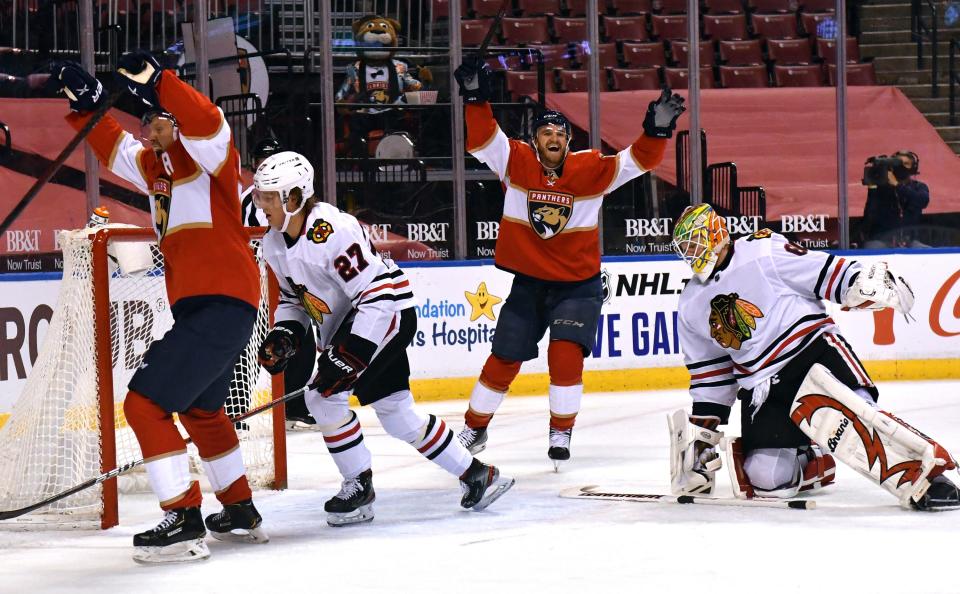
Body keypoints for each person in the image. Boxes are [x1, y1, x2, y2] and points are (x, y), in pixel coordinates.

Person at [55, 53, 268, 563]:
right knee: (201, 408)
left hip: (224, 301)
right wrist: (87, 108)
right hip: (209, 308)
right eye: (146, 120)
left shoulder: (212, 159)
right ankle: (239, 509)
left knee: (143, 404)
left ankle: (182, 514)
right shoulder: (153, 166)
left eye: (156, 118)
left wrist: (161, 83)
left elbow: (208, 121)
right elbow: (114, 146)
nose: (148, 128)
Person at [251, 151, 514, 526]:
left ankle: (359, 486)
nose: (262, 204)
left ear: (294, 197)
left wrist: (353, 353)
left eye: (269, 196)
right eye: (261, 195)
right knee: (398, 415)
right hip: (356, 321)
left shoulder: (332, 230)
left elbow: (377, 294)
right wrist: (285, 334)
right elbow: (295, 302)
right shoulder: (274, 244)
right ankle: (476, 474)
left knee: (321, 398)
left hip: (385, 314)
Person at [451, 56, 686, 469]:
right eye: (546, 131)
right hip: (529, 282)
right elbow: (483, 139)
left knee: (565, 353)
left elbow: (638, 161)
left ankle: (561, 430)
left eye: (560, 132)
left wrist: (657, 130)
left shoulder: (590, 169)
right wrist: (474, 98)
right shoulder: (515, 161)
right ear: (535, 138)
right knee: (504, 356)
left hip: (578, 285)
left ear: (567, 141)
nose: (553, 137)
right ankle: (475, 426)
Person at [669, 203, 959, 510]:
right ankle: (816, 460)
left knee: (861, 418)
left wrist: (859, 281)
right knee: (767, 477)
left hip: (813, 354)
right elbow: (711, 377)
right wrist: (703, 436)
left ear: (716, 233)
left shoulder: (761, 250)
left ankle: (932, 475)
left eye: (694, 241)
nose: (690, 251)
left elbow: (821, 271)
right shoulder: (691, 304)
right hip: (763, 389)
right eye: (684, 247)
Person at [237, 137, 319, 429]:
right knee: (244, 347)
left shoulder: (294, 197)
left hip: (286, 280)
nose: (265, 166)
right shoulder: (248, 199)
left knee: (302, 342)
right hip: (256, 283)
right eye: (261, 161)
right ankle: (236, 410)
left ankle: (293, 405)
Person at [861, 150, 929, 248]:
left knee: (924, 250)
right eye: (898, 163)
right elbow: (870, 215)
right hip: (883, 240)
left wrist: (897, 185)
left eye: (905, 164)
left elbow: (922, 201)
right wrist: (872, 189)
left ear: (913, 167)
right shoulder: (881, 188)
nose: (901, 166)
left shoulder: (919, 187)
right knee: (873, 247)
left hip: (911, 240)